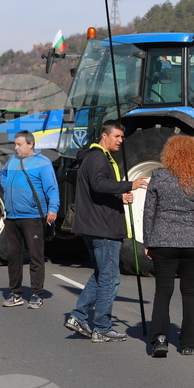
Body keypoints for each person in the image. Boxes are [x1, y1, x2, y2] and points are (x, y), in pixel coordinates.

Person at [64, 120, 147, 343]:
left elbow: (98, 189)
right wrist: (129, 185)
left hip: (96, 225)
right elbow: (99, 184)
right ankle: (101, 327)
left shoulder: (94, 157)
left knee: (102, 274)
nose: (121, 141)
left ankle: (78, 316)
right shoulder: (98, 157)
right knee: (110, 279)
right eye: (117, 136)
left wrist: (119, 195)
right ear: (104, 136)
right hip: (103, 228)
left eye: (122, 137)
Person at [142, 135, 194, 357]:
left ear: (169, 153)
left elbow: (149, 211)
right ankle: (188, 344)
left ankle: (160, 339)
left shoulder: (159, 176)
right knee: (190, 293)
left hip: (163, 240)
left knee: (163, 292)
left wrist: (148, 240)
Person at [0, 131, 59, 309]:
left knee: (35, 257)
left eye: (19, 144)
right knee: (13, 257)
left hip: (32, 217)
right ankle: (15, 293)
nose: (16, 148)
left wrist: (53, 209)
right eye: (15, 144)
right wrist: (8, 188)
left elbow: (52, 188)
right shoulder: (12, 161)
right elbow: (2, 175)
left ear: (30, 144)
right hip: (11, 217)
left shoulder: (43, 163)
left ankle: (36, 294)